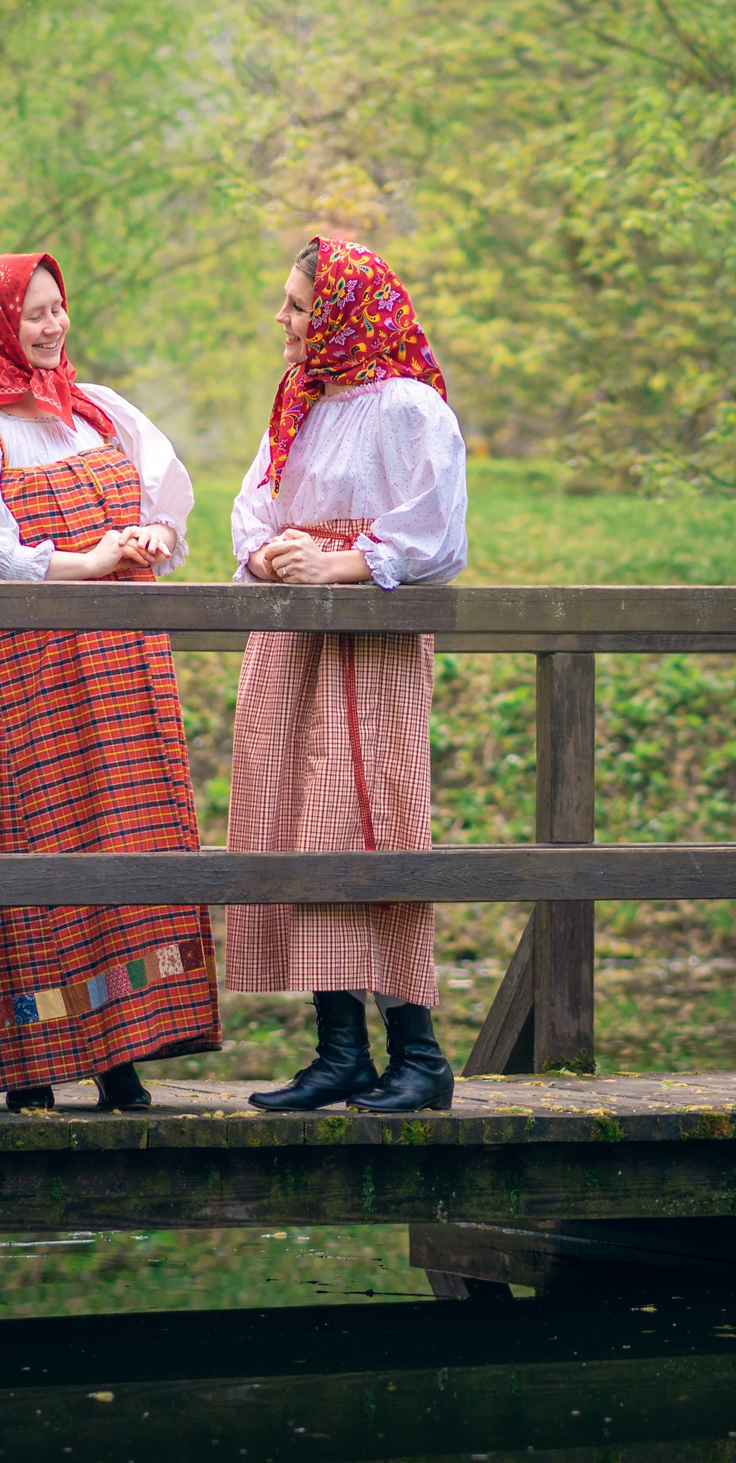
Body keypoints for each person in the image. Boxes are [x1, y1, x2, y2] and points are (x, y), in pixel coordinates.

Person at [0, 252, 219, 1112]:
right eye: (33, 315)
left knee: (123, 836)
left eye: (58, 309)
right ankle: (32, 1062)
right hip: (25, 670)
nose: (52, 327)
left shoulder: (100, 410)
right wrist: (89, 560)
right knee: (31, 845)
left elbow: (166, 491)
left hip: (120, 666)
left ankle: (123, 1050)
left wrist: (155, 537)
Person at [229, 237, 468, 1113]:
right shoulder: (300, 397)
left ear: (340, 313)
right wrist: (268, 555)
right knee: (298, 819)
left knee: (375, 818)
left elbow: (437, 532)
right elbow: (254, 504)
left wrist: (342, 563)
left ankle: (420, 1053)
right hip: (296, 639)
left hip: (371, 637)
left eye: (298, 305)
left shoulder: (407, 406)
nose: (283, 319)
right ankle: (340, 1050)